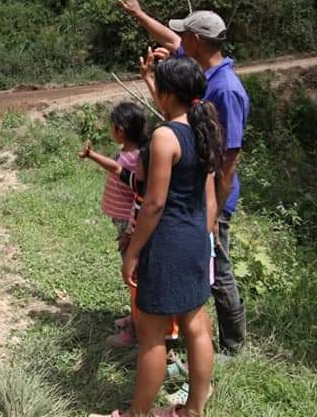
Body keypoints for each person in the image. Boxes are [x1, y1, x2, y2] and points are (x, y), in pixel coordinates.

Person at [119, 0, 250, 356]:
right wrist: (139, 14)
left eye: (183, 34)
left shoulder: (225, 89)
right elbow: (169, 40)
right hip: (193, 192)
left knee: (218, 268)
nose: (177, 38)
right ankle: (184, 335)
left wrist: (215, 212)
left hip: (210, 197)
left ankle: (232, 347)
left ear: (194, 40)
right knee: (198, 270)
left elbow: (228, 159)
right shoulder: (200, 74)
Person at [94, 56, 221, 417]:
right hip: (196, 240)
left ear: (166, 93)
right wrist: (201, 238)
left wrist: (133, 252)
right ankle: (193, 411)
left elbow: (153, 204)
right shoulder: (204, 128)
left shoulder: (166, 136)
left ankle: (137, 415)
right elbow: (210, 200)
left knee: (151, 337)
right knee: (196, 326)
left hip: (166, 245)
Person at [78, 102, 150, 347]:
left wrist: (129, 232)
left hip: (129, 227)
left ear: (119, 130)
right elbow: (115, 167)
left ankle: (135, 332)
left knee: (133, 277)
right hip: (125, 225)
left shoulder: (135, 160)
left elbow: (136, 197)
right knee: (133, 276)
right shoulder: (131, 153)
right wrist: (92, 155)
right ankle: (134, 318)